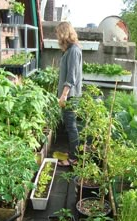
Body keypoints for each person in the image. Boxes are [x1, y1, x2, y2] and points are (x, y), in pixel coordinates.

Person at [56, 21, 82, 167]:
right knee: (69, 125)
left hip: (70, 96)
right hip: (69, 95)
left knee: (71, 126)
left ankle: (73, 158)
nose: (57, 36)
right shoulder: (70, 50)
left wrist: (64, 94)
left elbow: (71, 76)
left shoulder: (73, 51)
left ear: (64, 33)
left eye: (58, 33)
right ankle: (73, 152)